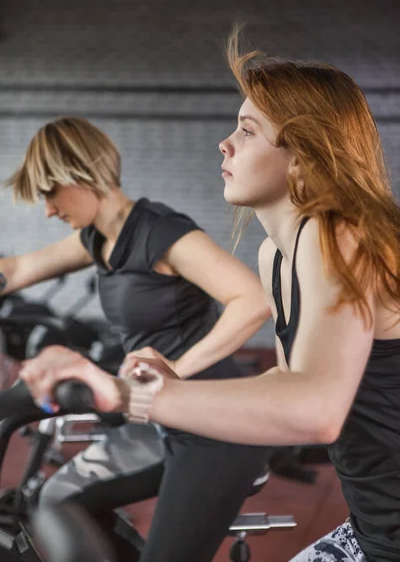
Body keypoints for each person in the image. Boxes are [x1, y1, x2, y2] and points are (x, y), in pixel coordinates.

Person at [21, 31, 400, 562]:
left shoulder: (339, 233)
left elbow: (316, 409)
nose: (225, 143)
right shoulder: (277, 253)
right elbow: (289, 385)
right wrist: (175, 385)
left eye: (247, 130)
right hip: (371, 529)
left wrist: (125, 395)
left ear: (302, 154)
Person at [3, 115, 272, 562]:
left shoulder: (161, 232)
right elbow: (18, 269)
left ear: (83, 174)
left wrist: (175, 371)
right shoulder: (98, 237)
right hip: (157, 418)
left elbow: (253, 299)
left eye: (50, 192)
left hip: (215, 428)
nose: (48, 209)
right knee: (55, 499)